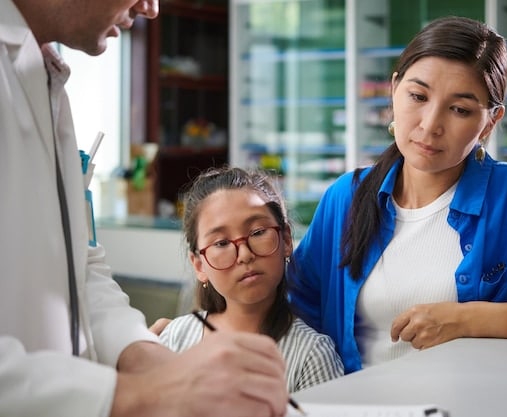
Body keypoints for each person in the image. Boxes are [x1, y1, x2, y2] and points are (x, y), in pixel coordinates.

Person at [286, 15, 507, 375]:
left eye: (460, 109)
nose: (430, 124)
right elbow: (297, 306)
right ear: (394, 89)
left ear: (491, 121)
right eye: (418, 96)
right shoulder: (347, 198)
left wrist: (470, 320)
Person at [0, 1, 290, 416]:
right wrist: (137, 395)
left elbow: (78, 265)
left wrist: (154, 361)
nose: (151, 8)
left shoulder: (42, 74)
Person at [158, 167, 344, 393]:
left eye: (257, 232)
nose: (245, 254)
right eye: (221, 243)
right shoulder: (177, 336)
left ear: (285, 240)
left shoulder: (311, 354)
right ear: (199, 265)